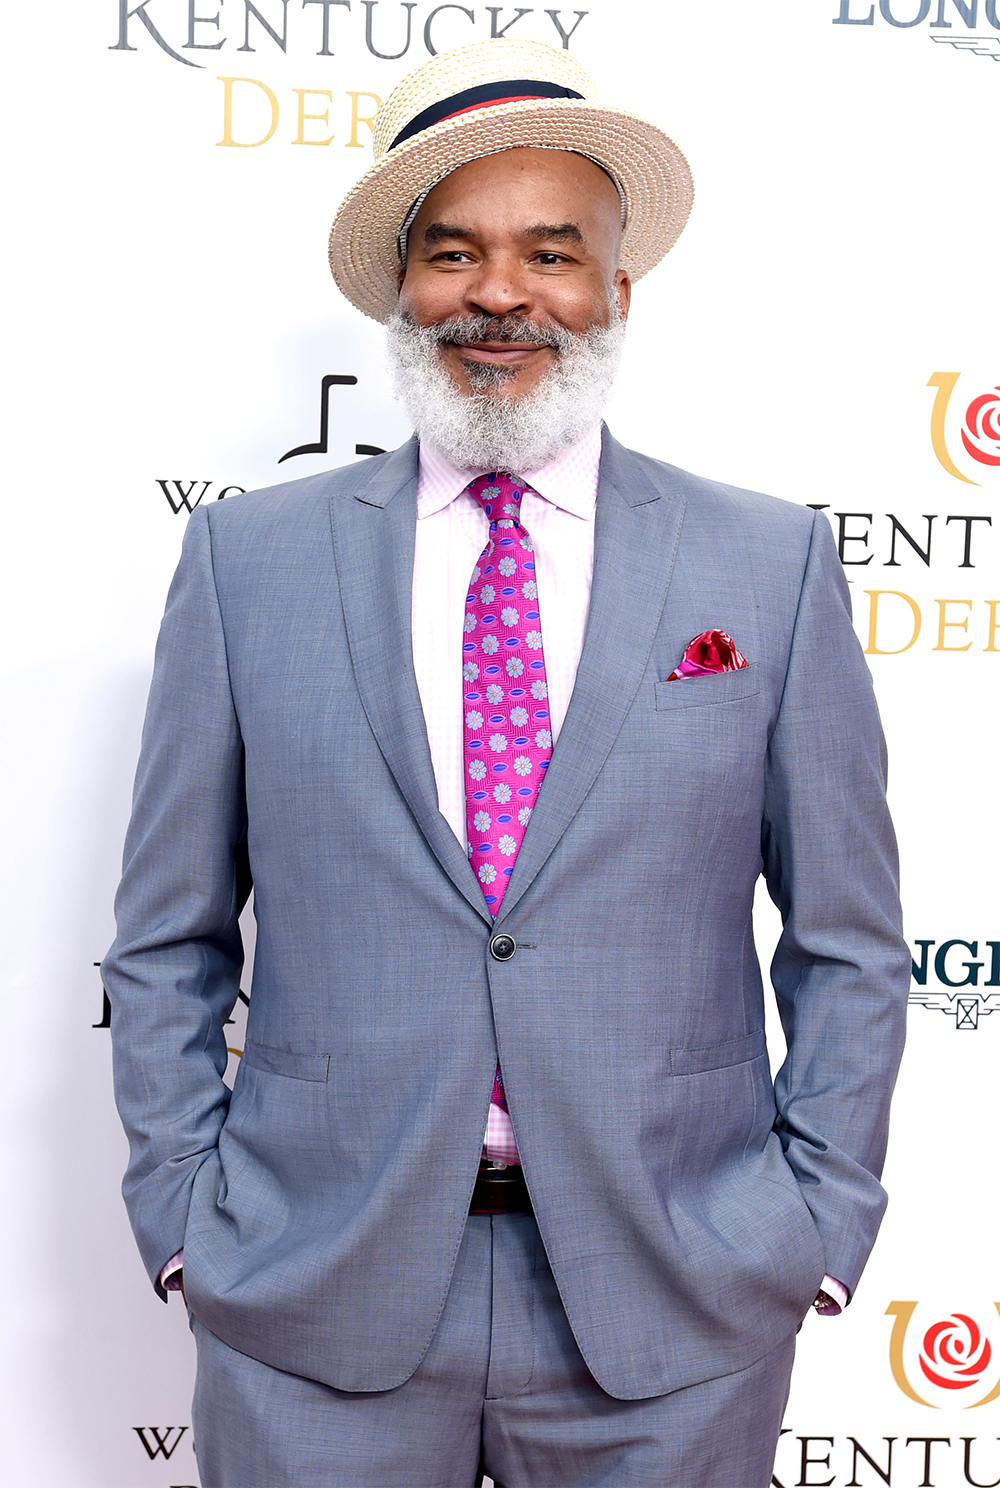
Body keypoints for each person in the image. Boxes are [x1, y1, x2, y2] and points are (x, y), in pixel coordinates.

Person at [103, 37, 910, 1488]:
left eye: (553, 252)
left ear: (617, 287)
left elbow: (847, 940)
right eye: (455, 252)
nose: (500, 294)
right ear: (400, 286)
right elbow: (165, 939)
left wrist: (813, 1225)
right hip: (312, 1295)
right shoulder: (247, 563)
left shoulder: (766, 562)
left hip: (676, 1304)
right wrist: (184, 1222)